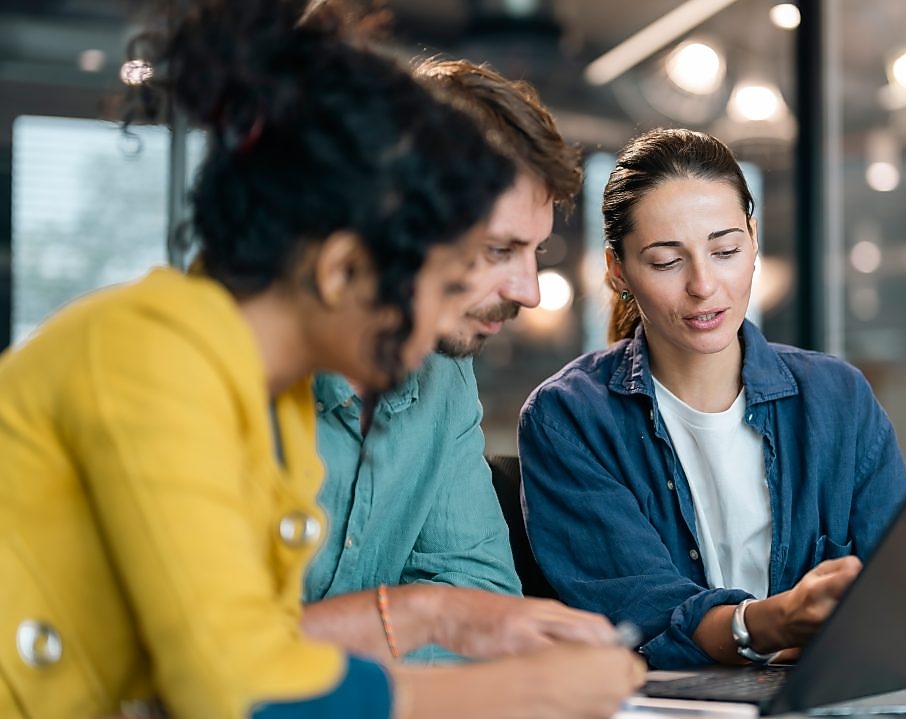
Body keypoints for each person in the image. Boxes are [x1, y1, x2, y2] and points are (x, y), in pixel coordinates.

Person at [0, 2, 640, 717]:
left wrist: (449, 615)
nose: (441, 316)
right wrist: (526, 690)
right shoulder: (150, 357)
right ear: (341, 271)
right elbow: (244, 693)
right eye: (435, 280)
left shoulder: (267, 401)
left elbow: (269, 643)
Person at [518, 128, 906, 670]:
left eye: (725, 249)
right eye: (665, 262)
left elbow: (900, 602)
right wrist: (775, 624)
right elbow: (642, 617)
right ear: (618, 271)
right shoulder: (569, 418)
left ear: (753, 241)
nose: (704, 285)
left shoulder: (839, 399)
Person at [301, 58, 604, 663]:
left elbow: (486, 599)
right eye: (499, 249)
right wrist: (424, 616)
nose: (531, 291)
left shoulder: (443, 377)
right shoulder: (222, 373)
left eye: (535, 251)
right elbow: (220, 661)